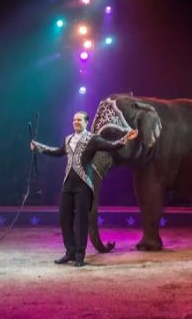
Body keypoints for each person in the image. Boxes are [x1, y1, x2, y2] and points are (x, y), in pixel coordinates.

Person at [31, 111, 138, 267]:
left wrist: (125, 139)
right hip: (68, 184)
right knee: (64, 219)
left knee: (81, 221)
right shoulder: (68, 139)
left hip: (83, 184)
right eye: (74, 119)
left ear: (86, 122)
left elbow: (111, 146)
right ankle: (70, 252)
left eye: (79, 119)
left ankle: (80, 254)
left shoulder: (92, 139)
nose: (76, 122)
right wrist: (38, 147)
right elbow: (57, 152)